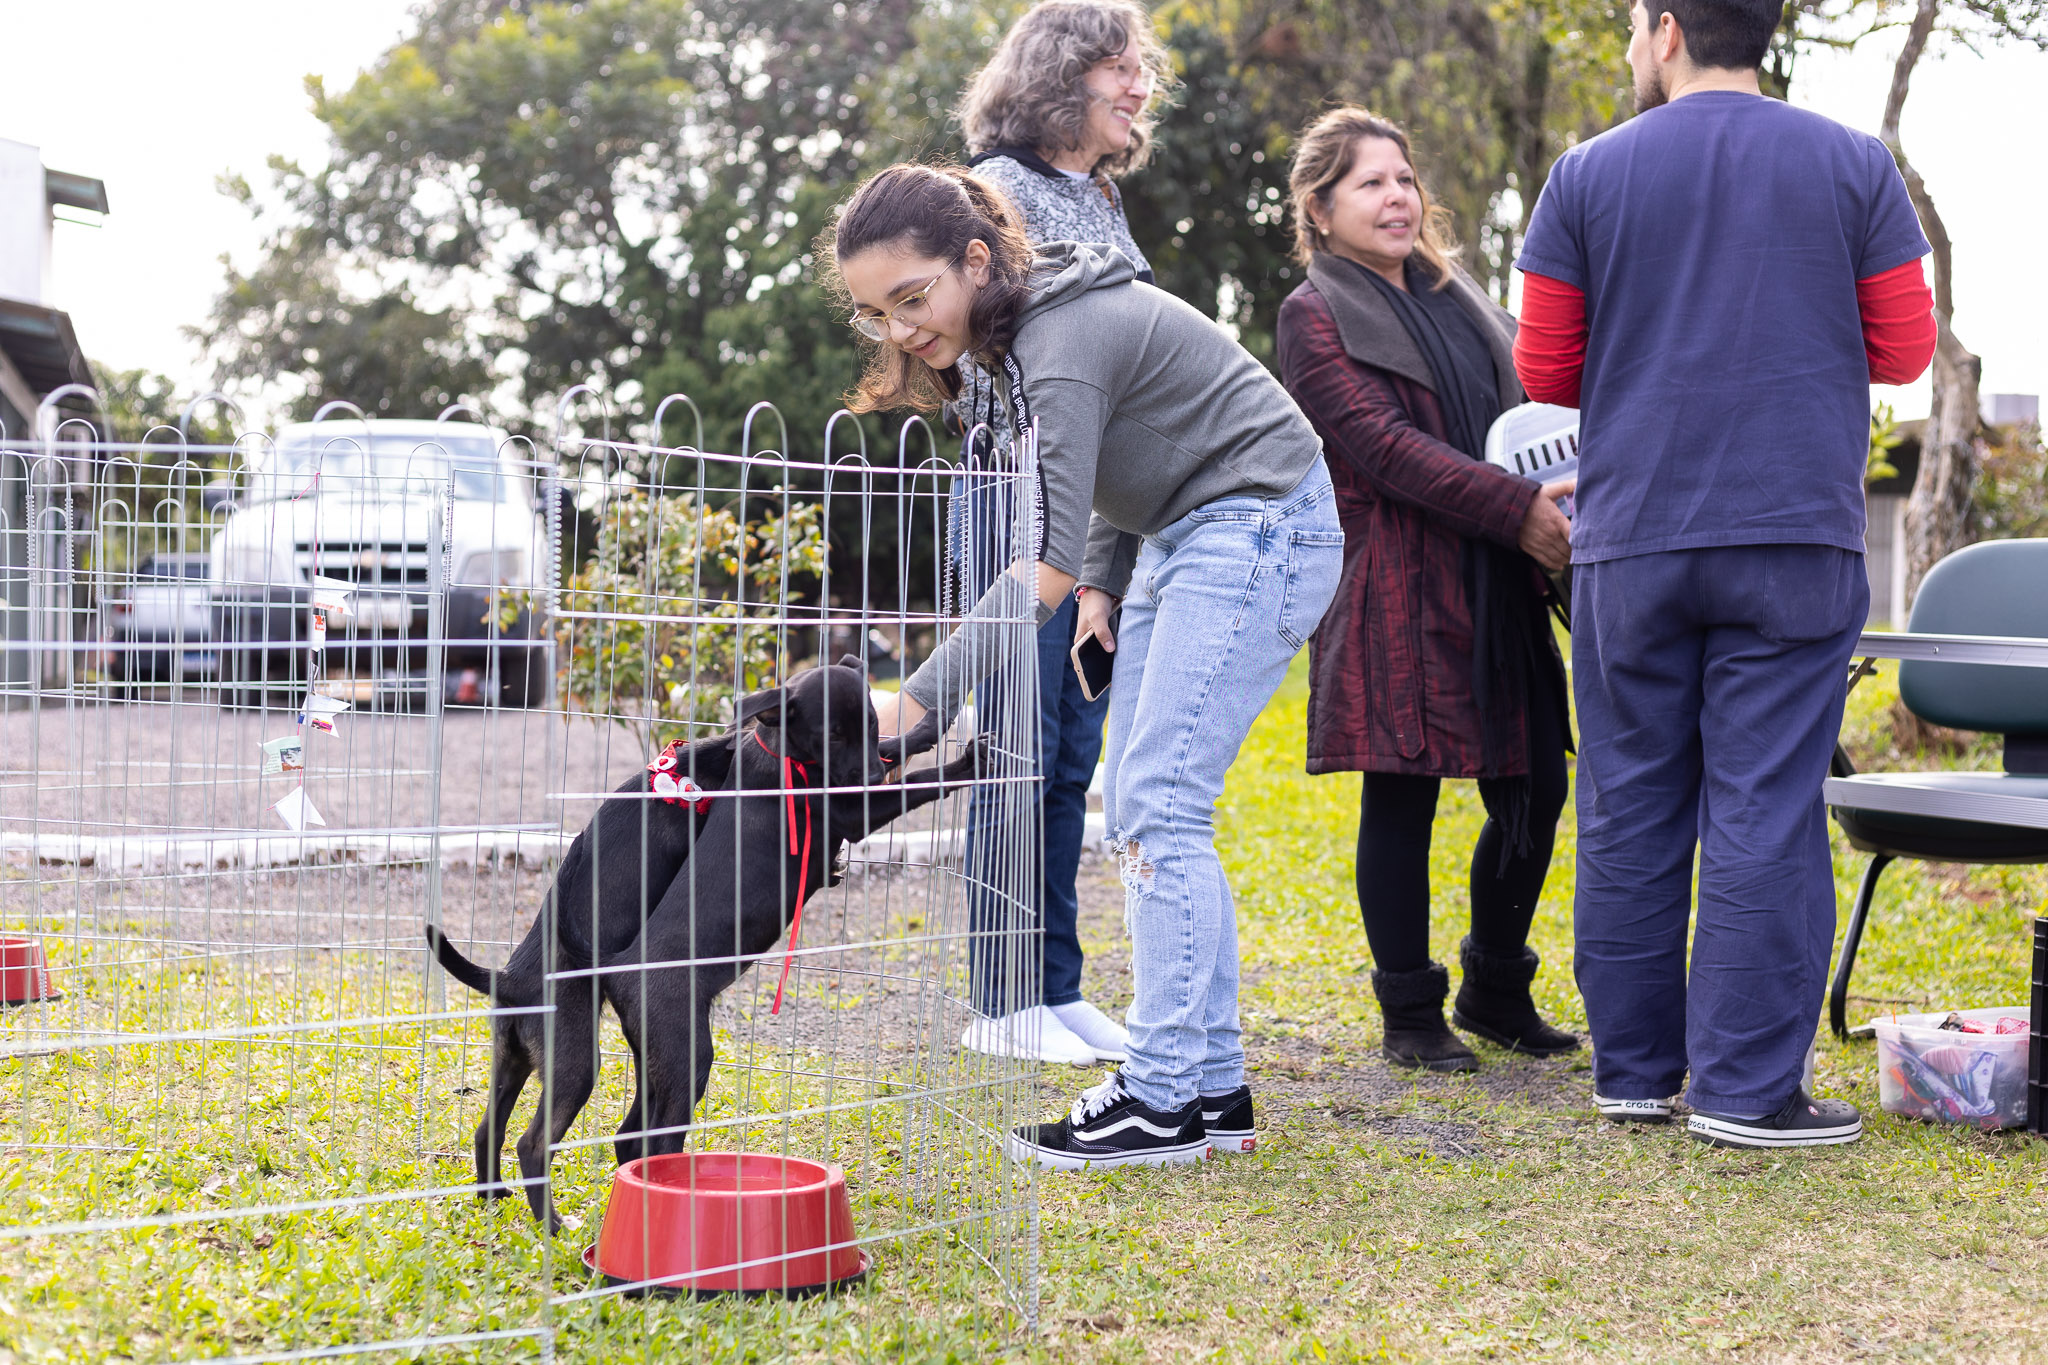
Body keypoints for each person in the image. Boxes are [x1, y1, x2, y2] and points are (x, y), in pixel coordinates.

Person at [822, 162, 1342, 1170]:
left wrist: (914, 706)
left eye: (911, 298)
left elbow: (1041, 564)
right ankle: (1208, 1090)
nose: (897, 331)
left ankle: (1156, 1098)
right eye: (873, 312)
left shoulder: (1054, 340)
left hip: (1254, 525)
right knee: (1153, 805)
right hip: (1192, 531)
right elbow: (1116, 468)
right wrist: (1105, 576)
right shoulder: (1017, 338)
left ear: (975, 260)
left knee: (1156, 805)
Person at [1513, 0, 1936, 1146]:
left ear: (1661, 30)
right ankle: (1748, 1094)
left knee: (1629, 796)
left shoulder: (1582, 174)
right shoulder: (1853, 163)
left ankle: (1634, 1074)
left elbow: (1544, 367)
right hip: (1791, 530)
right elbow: (1901, 348)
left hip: (1633, 534)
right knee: (1762, 800)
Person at [1273, 107, 1580, 1074]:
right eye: (1370, 182)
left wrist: (1553, 501)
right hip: (1397, 584)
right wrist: (1520, 508)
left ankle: (1496, 985)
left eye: (1404, 178)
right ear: (1319, 210)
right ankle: (1410, 1011)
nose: (1397, 197)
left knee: (1536, 782)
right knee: (1400, 796)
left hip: (1498, 577)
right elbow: (1382, 449)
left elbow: (1540, 407)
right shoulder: (1312, 314)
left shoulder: (1469, 300)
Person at [948, 0, 1176, 1068]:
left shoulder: (1097, 199)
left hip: (1087, 516)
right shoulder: (996, 195)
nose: (1139, 86)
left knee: (1066, 760)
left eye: (1140, 70)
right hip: (1011, 504)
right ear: (1056, 75)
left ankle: (1056, 986)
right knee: (1013, 751)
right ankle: (999, 1000)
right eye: (1118, 69)